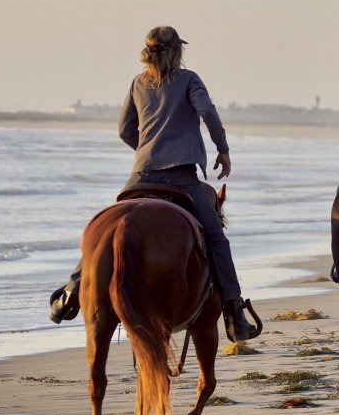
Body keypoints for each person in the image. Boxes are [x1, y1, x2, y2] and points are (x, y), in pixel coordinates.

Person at [49, 25, 261, 341]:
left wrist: (148, 151)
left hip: (140, 175)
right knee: (216, 239)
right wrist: (224, 150)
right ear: (177, 52)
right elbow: (207, 112)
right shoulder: (190, 80)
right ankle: (234, 313)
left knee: (104, 232)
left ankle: (70, 293)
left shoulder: (137, 83)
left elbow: (124, 130)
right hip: (182, 177)